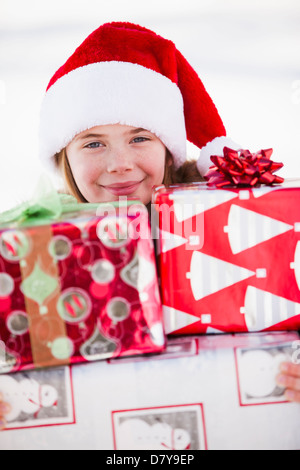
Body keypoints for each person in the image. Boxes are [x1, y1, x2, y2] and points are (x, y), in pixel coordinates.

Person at [0, 21, 299, 429]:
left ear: (169, 148)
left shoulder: (247, 214)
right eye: (93, 142)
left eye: (140, 138)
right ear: (64, 157)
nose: (120, 162)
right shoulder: (37, 250)